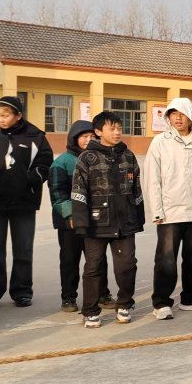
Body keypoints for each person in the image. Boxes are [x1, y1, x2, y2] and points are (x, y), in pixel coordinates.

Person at [143, 97, 192, 319]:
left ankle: (190, 299)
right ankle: (161, 303)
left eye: (182, 114)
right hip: (170, 212)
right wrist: (157, 209)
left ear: (191, 116)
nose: (177, 118)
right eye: (173, 114)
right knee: (166, 260)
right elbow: (152, 177)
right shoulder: (160, 142)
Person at [71, 112, 145, 328]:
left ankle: (124, 305)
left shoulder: (128, 156)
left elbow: (136, 189)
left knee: (127, 265)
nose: (117, 132)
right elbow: (78, 190)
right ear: (98, 131)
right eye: (112, 128)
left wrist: (138, 218)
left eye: (119, 128)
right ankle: (90, 311)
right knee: (94, 267)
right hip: (96, 223)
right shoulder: (87, 157)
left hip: (125, 223)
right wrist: (81, 221)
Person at [0, 96, 54, 310]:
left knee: (23, 249)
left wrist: (29, 179)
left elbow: (45, 162)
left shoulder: (35, 135)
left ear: (18, 116)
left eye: (5, 115)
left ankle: (22, 291)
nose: (1, 119)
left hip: (24, 201)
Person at [49, 120, 113, 312]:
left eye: (92, 136)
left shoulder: (99, 159)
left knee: (98, 259)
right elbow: (58, 193)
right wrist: (71, 215)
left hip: (95, 219)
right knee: (70, 260)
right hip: (70, 222)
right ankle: (69, 297)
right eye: (84, 136)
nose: (88, 140)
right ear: (73, 138)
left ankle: (102, 294)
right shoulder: (62, 163)